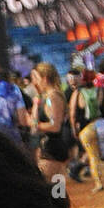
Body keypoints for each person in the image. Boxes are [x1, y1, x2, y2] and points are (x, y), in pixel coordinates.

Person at [71, 70, 104, 192]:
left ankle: (99, 183)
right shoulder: (101, 90)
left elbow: (73, 113)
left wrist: (74, 128)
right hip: (102, 124)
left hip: (86, 129)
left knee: (93, 156)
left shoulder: (77, 93)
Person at [28, 62, 70, 191]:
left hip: (52, 149)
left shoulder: (53, 97)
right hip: (51, 148)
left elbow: (55, 126)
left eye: (36, 78)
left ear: (45, 78)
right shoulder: (46, 97)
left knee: (53, 192)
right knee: (56, 192)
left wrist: (35, 124)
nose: (34, 83)